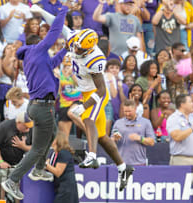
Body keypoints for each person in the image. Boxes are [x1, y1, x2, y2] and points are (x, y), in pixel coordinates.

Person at [32, 4, 134, 190]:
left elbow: (101, 91)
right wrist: (39, 11)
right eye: (76, 47)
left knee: (88, 118)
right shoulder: (75, 38)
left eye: (80, 50)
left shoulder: (96, 59)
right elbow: (57, 23)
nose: (75, 51)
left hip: (95, 93)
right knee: (102, 136)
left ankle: (92, 157)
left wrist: (85, 104)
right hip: (85, 90)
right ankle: (123, 167)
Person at [1, 6, 68, 200]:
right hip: (43, 107)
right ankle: (12, 179)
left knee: (52, 135)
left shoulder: (33, 58)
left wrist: (65, 49)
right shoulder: (37, 49)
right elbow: (55, 32)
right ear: (37, 44)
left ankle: (39, 169)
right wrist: (63, 11)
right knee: (39, 148)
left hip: (37, 106)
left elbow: (53, 63)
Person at [0, 112, 32, 199]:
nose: (28, 129)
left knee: (16, 187)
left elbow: (36, 148)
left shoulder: (32, 129)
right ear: (18, 122)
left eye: (29, 126)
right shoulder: (5, 126)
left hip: (17, 161)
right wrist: (0, 161)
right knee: (0, 187)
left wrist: (23, 146)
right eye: (26, 126)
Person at [166, 94, 193, 165]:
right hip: (180, 159)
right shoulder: (173, 118)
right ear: (182, 104)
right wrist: (192, 128)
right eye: (190, 102)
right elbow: (177, 137)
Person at [111, 99, 155, 166]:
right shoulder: (118, 123)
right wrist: (114, 139)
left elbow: (152, 142)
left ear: (135, 109)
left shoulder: (146, 122)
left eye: (129, 111)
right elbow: (110, 142)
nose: (127, 114)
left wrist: (140, 138)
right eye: (125, 111)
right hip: (121, 163)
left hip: (139, 163)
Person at [45, 132, 79, 203]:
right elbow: (47, 165)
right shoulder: (53, 153)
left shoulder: (64, 153)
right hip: (59, 187)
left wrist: (45, 164)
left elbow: (58, 172)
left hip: (67, 188)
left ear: (57, 140)